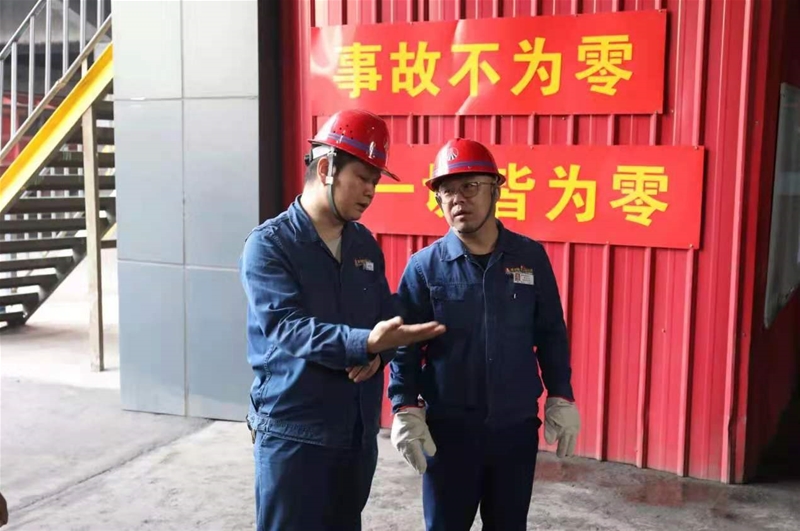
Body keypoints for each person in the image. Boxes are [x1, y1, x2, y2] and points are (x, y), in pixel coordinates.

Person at [239, 108, 446, 531]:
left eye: (375, 182)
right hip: (293, 433)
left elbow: (382, 317)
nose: (371, 191)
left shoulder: (363, 245)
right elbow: (287, 327)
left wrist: (381, 353)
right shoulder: (270, 246)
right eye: (363, 178)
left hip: (355, 434)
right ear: (326, 168)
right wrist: (364, 343)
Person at [387, 138, 581, 531]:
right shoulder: (424, 268)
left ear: (496, 190)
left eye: (470, 186)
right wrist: (404, 406)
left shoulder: (530, 258)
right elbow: (404, 346)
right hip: (449, 433)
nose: (458, 199)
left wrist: (560, 393)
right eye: (447, 191)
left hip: (515, 430)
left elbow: (550, 333)